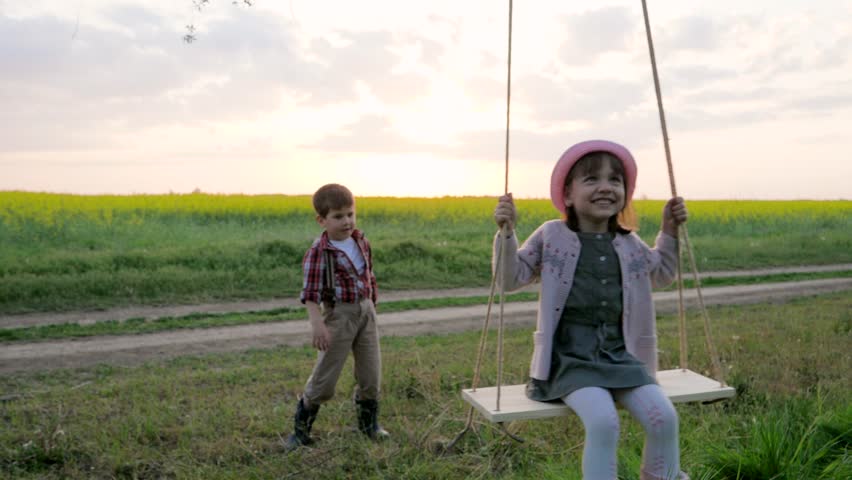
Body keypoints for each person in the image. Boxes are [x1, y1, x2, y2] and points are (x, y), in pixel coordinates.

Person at [493, 140, 689, 480]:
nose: (605, 187)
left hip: (621, 358)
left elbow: (661, 274)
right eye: (591, 179)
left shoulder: (629, 244)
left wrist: (669, 232)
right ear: (568, 195)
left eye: (615, 180)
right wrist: (507, 234)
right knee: (603, 422)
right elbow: (510, 278)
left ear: (625, 193)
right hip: (569, 362)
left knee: (664, 418)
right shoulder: (551, 236)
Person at [285, 183, 389, 452]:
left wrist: (371, 305)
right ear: (322, 220)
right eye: (338, 216)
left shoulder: (360, 240)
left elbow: (369, 274)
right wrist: (318, 325)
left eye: (350, 214)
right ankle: (301, 431)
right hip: (338, 316)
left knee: (371, 374)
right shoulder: (319, 252)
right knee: (325, 378)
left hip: (365, 311)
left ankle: (369, 426)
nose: (347, 221)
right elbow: (310, 293)